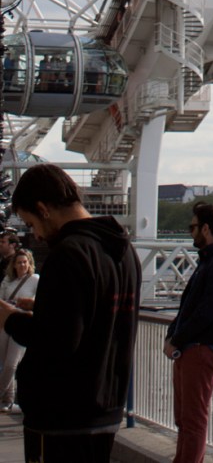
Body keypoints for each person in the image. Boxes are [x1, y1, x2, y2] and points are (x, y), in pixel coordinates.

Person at [0, 163, 140, 463]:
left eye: (31, 223)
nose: (35, 235)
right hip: (107, 405)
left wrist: (8, 317)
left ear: (43, 208)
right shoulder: (125, 252)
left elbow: (56, 342)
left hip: (61, 413)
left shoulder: (69, 254)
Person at [164, 201, 213, 463]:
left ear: (205, 229)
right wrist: (173, 336)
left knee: (193, 421)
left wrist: (176, 339)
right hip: (191, 348)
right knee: (184, 420)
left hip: (202, 349)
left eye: (192, 227)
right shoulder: (211, 260)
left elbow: (206, 313)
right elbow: (189, 305)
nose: (190, 232)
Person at [0, 249, 38, 409]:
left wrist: (27, 302)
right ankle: (8, 401)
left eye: (25, 262)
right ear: (14, 265)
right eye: (19, 262)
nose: (22, 265)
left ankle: (0, 393)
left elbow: (39, 299)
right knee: (4, 362)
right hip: (5, 322)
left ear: (29, 263)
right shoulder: (7, 280)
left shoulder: (35, 279)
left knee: (11, 364)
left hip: (23, 322)